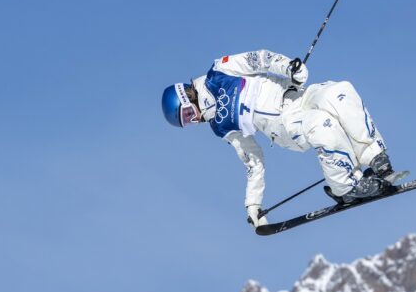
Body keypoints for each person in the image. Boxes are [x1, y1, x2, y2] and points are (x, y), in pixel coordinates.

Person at [161, 49, 401, 227]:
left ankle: (374, 156)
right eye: (188, 122)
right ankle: (345, 188)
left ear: (187, 94)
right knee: (322, 125)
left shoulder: (219, 72)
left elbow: (260, 58)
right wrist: (252, 205)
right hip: (285, 125)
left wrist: (289, 68)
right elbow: (252, 160)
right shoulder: (221, 126)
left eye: (188, 113)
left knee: (340, 92)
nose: (195, 119)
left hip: (297, 96)